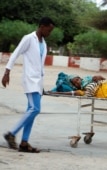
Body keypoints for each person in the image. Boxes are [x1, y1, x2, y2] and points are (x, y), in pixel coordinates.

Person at [2, 17, 55, 153]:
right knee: (35, 109)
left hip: (38, 82)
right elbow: (15, 53)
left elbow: (40, 64)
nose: (49, 33)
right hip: (30, 80)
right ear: (42, 26)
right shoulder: (29, 38)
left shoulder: (44, 43)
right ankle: (11, 134)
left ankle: (24, 143)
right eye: (49, 30)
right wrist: (7, 72)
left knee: (31, 111)